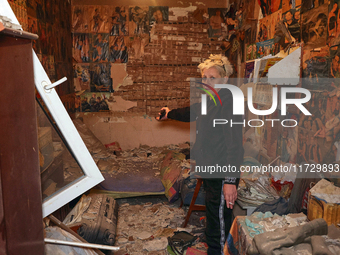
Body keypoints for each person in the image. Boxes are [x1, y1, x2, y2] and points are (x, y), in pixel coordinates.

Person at [157, 54, 244, 254]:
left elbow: (235, 144)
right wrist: (170, 113)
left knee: (221, 222)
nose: (206, 82)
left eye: (211, 77)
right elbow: (193, 111)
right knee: (213, 217)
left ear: (224, 79)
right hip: (210, 169)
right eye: (204, 77)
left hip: (222, 172)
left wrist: (230, 181)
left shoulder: (229, 101)